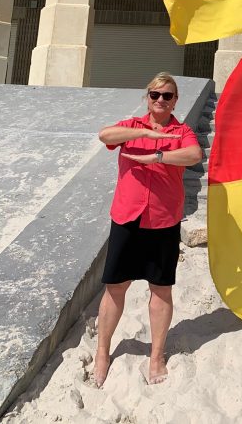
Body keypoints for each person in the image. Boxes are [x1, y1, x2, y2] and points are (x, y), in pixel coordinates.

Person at [93, 72, 203, 387]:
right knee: (116, 286)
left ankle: (156, 356)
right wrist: (149, 135)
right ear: (148, 97)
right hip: (128, 215)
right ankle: (102, 351)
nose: (160, 100)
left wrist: (158, 153)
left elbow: (194, 155)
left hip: (163, 219)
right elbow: (105, 135)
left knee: (161, 288)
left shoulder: (182, 131)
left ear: (175, 100)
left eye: (167, 96)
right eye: (155, 95)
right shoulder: (133, 126)